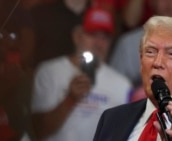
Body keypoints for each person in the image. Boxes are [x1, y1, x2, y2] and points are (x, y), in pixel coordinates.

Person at [31, 7, 132, 141]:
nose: (99, 43)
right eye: (93, 34)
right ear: (77, 36)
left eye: (105, 37)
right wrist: (70, 99)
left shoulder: (122, 84)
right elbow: (38, 131)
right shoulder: (49, 72)